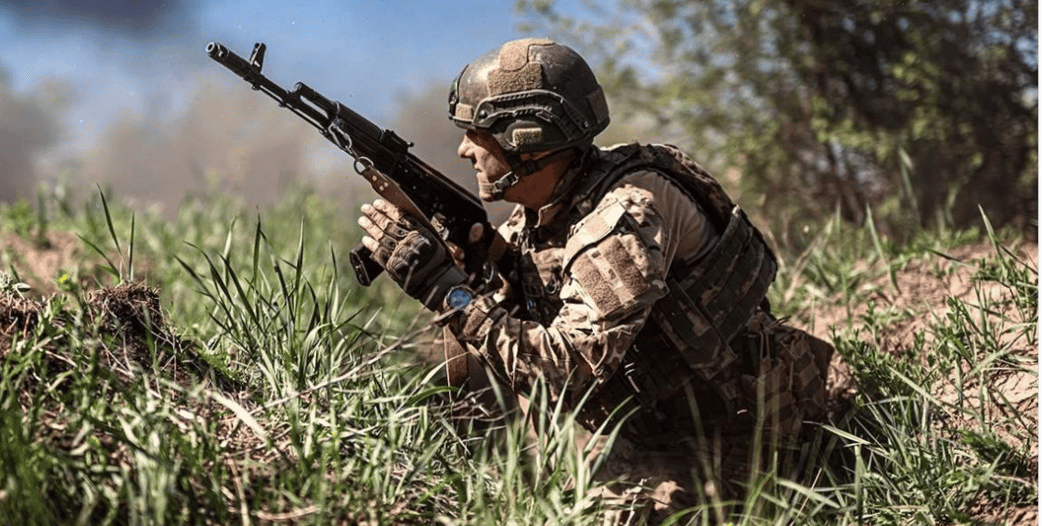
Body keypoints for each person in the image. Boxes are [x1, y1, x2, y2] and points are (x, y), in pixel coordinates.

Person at [357, 37, 833, 523]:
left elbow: (564, 371)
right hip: (660, 424)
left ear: (526, 138)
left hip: (742, 430)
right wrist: (477, 262)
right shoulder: (553, 205)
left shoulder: (621, 219)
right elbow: (528, 296)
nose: (463, 150)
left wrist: (446, 290)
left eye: (476, 134)